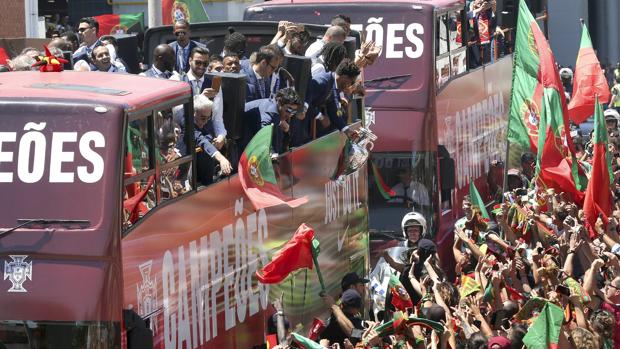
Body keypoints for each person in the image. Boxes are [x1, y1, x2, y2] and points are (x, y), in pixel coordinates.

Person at [303, 59, 360, 141]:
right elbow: (305, 102)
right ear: (344, 77)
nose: (350, 85)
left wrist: (347, 131)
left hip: (308, 120)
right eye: (351, 82)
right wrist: (320, 116)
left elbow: (333, 111)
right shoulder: (322, 82)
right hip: (300, 120)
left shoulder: (333, 85)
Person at [242, 87, 305, 155]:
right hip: (243, 140)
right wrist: (274, 157)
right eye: (289, 110)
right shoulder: (268, 116)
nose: (289, 115)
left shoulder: (275, 109)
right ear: (279, 102)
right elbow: (264, 141)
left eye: (293, 111)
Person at [187, 95, 232, 186]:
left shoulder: (203, 117)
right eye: (203, 118)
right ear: (193, 113)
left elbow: (207, 136)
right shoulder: (185, 120)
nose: (206, 122)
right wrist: (221, 159)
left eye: (208, 118)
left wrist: (220, 137)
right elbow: (201, 141)